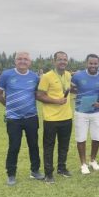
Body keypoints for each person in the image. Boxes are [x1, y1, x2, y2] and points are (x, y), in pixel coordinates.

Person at [0, 52, 44, 186]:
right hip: (13, 119)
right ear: (15, 61)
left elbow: (39, 93)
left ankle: (35, 170)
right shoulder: (7, 75)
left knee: (33, 145)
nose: (23, 61)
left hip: (31, 117)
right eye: (20, 59)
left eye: (26, 59)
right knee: (14, 146)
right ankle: (11, 174)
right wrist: (8, 105)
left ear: (30, 62)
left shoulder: (35, 77)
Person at [37, 51, 73, 184]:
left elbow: (68, 90)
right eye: (60, 59)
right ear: (54, 61)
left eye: (65, 59)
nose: (62, 62)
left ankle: (62, 168)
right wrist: (56, 101)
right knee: (49, 146)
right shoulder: (47, 77)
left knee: (64, 145)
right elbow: (39, 95)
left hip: (67, 117)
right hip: (51, 118)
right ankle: (48, 174)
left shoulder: (68, 75)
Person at [71, 54, 99, 174]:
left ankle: (93, 160)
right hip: (81, 112)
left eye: (95, 63)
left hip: (95, 113)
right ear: (87, 63)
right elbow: (70, 88)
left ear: (98, 64)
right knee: (81, 138)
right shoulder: (78, 76)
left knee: (97, 137)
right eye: (91, 63)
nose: (93, 66)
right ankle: (83, 164)